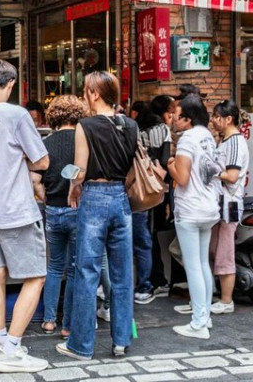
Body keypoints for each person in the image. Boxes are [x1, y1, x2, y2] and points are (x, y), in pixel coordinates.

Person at [0, 59, 50, 373]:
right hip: (16, 207)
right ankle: (11, 349)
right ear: (10, 84)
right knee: (36, 276)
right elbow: (42, 161)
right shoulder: (17, 114)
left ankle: (0, 339)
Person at [58, 71, 137, 361]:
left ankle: (81, 345)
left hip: (93, 197)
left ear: (94, 93)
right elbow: (130, 170)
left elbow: (79, 170)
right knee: (121, 275)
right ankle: (120, 341)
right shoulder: (131, 125)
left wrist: (72, 188)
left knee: (86, 272)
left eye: (86, 91)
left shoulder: (85, 125)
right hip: (121, 199)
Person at [32, 95, 87, 339]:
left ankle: (49, 321)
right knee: (74, 269)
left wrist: (46, 197)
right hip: (77, 210)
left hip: (52, 210)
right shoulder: (84, 142)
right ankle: (68, 325)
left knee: (54, 267)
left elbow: (34, 180)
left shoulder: (45, 142)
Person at [168, 95, 221, 340]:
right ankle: (205, 316)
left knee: (193, 266)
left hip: (190, 208)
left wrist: (170, 165)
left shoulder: (187, 138)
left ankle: (198, 323)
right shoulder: (207, 136)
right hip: (209, 207)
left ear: (187, 119)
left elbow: (182, 177)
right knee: (202, 264)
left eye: (177, 115)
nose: (173, 119)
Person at [210, 101, 250, 316]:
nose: (214, 121)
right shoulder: (225, 140)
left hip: (230, 204)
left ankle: (226, 300)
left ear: (228, 119)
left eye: (217, 117)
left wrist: (211, 171)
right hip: (222, 203)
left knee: (224, 251)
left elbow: (232, 176)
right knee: (216, 249)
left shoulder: (234, 142)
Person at [131, 102, 172, 305]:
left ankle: (148, 281)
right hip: (152, 186)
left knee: (141, 238)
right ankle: (151, 282)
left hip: (133, 190)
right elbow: (164, 160)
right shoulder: (163, 130)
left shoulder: (135, 130)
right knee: (148, 237)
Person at [148, 95, 176, 293]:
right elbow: (165, 160)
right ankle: (159, 277)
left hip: (141, 186)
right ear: (166, 113)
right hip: (158, 186)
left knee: (145, 233)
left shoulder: (142, 129)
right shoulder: (163, 130)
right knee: (156, 232)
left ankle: (151, 277)